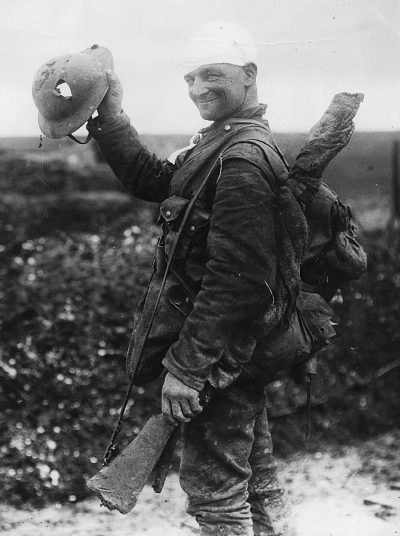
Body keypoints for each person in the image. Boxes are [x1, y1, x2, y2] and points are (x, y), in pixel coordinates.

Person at [87, 21, 307, 536]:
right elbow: (155, 180)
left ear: (249, 74)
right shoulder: (221, 145)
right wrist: (109, 116)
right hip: (236, 351)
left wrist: (187, 370)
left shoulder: (241, 160)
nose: (196, 89)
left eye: (211, 75)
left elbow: (240, 282)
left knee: (217, 498)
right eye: (189, 78)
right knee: (257, 481)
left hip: (218, 353)